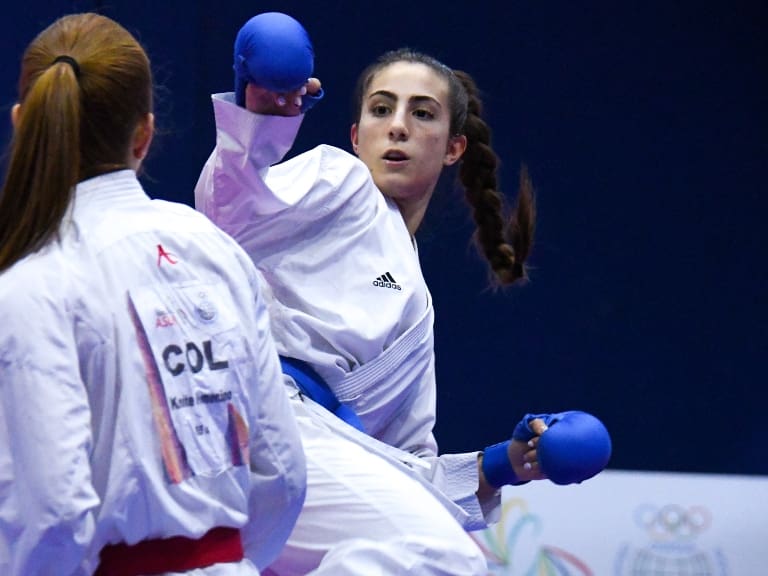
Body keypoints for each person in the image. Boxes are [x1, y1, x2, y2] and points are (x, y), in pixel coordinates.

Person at [196, 12, 611, 575]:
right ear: (355, 136)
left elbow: (402, 469)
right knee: (440, 555)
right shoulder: (338, 182)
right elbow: (227, 212)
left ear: (454, 148)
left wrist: (507, 463)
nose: (397, 127)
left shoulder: (416, 308)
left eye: (422, 113)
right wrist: (264, 114)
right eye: (381, 109)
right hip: (250, 415)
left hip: (296, 459)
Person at [0, 13, 307, 576]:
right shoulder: (216, 252)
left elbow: (53, 520)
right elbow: (283, 476)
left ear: (24, 124)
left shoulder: (30, 284)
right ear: (144, 134)